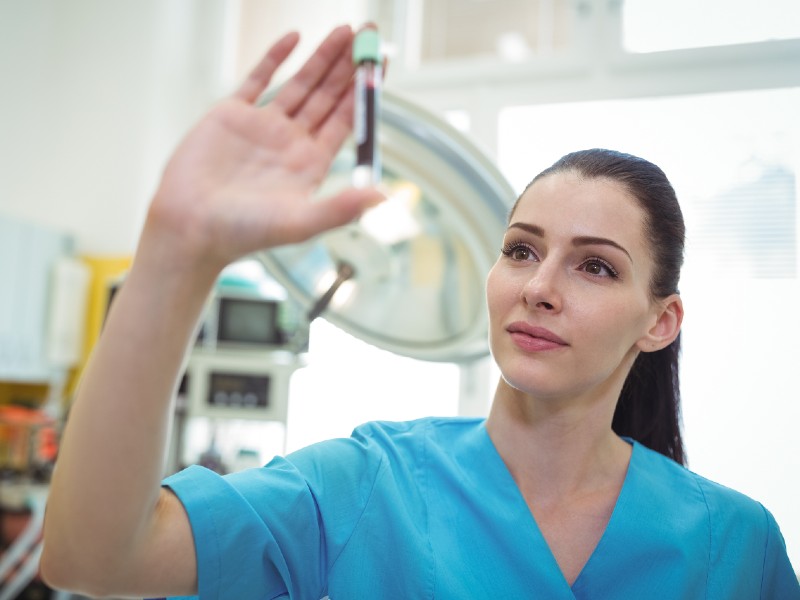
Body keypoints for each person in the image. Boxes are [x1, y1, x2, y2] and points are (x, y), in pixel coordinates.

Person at [39, 24, 798, 600]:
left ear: (660, 321)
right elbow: (94, 557)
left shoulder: (736, 547)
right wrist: (178, 250)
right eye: (521, 249)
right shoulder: (365, 487)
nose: (539, 286)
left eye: (596, 266)